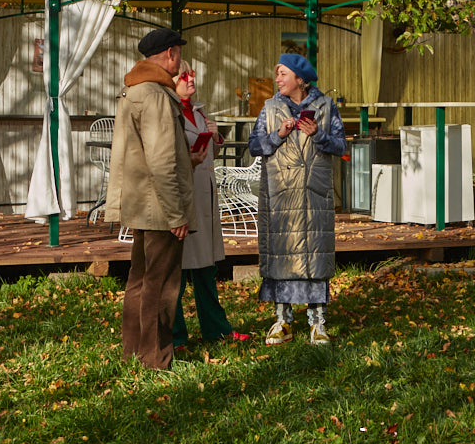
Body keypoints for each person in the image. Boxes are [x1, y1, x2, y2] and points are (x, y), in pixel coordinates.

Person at [104, 27, 194, 370]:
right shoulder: (156, 95)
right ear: (170, 54)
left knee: (139, 282)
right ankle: (155, 360)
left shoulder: (134, 91)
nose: (180, 59)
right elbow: (160, 160)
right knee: (162, 285)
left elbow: (145, 154)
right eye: (178, 53)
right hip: (160, 208)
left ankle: (134, 353)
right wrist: (176, 215)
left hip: (141, 202)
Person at [248, 52, 347, 345]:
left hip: (313, 194)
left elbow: (340, 145)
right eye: (277, 73)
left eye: (283, 74)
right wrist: (277, 135)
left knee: (314, 257)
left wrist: (318, 135)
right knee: (281, 256)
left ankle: (318, 323)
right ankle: (282, 321)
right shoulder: (269, 109)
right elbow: (254, 146)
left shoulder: (326, 107)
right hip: (280, 194)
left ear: (299, 80)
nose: (277, 79)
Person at [171, 63, 250, 348]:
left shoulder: (201, 111)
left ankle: (216, 329)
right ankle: (175, 336)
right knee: (177, 272)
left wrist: (216, 139)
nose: (191, 79)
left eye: (192, 74)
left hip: (205, 196)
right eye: (184, 76)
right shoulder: (169, 111)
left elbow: (207, 156)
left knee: (206, 269)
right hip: (180, 199)